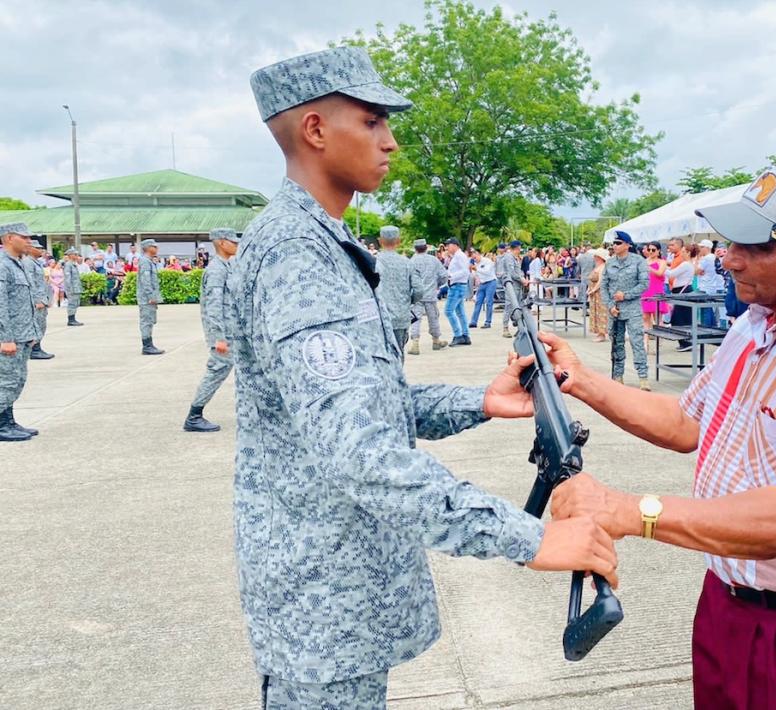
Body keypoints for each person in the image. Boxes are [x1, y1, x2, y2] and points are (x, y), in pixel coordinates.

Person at [232, 46, 617, 707]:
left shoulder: (322, 244)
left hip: (340, 586)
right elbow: (358, 452)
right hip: (321, 601)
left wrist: (479, 402)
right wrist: (530, 536)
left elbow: (365, 403)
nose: (392, 141)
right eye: (374, 121)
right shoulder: (297, 255)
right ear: (316, 131)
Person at [537, 160, 776, 709]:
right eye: (729, 240)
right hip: (728, 605)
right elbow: (687, 422)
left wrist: (631, 510)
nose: (731, 258)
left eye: (758, 245)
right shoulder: (757, 322)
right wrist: (578, 381)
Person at [184, 228, 240, 433]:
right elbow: (213, 306)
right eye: (233, 242)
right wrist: (219, 338)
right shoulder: (217, 269)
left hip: (232, 331)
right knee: (216, 371)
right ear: (222, 243)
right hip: (223, 334)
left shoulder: (228, 266)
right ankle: (194, 415)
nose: (237, 245)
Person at [0, 223, 42, 441]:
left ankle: (8, 422)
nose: (29, 241)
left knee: (16, 381)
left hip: (23, 335)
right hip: (9, 338)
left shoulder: (19, 264)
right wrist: (5, 338)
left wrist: (32, 331)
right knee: (5, 382)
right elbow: (1, 304)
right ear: (8, 238)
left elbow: (24, 301)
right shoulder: (2, 265)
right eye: (24, 237)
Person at [602, 231, 650, 391]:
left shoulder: (638, 261)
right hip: (615, 310)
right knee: (617, 344)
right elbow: (604, 286)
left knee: (637, 342)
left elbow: (644, 284)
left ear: (628, 245)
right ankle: (618, 376)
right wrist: (610, 305)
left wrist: (626, 295)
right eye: (613, 243)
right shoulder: (609, 263)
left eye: (618, 243)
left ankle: (643, 377)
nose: (615, 246)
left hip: (632, 309)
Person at [375, 225, 423, 355]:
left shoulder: (373, 262)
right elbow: (419, 289)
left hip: (379, 317)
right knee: (398, 355)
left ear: (380, 241)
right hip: (401, 317)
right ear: (398, 241)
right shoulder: (407, 263)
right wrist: (409, 301)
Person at [407, 239, 448, 355]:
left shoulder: (411, 261)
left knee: (416, 319)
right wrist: (437, 285)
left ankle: (415, 343)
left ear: (415, 249)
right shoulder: (434, 260)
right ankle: (436, 340)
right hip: (430, 294)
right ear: (426, 248)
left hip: (417, 295)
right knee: (433, 318)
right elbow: (444, 276)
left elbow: (408, 279)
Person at [23, 239, 54, 360]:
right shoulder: (28, 263)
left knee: (41, 325)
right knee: (37, 325)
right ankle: (34, 349)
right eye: (38, 248)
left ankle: (36, 348)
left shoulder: (36, 262)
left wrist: (46, 298)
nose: (41, 250)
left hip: (42, 299)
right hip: (37, 301)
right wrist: (37, 300)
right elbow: (31, 283)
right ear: (30, 249)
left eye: (41, 248)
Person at [665, 238, 696, 350]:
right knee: (682, 317)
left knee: (680, 318)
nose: (681, 253)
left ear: (687, 252)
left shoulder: (686, 264)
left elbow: (672, 274)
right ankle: (685, 342)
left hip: (683, 291)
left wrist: (662, 266)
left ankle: (686, 342)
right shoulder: (688, 264)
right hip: (682, 290)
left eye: (683, 252)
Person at [136, 239, 165, 355]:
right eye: (154, 246)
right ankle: (147, 346)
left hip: (149, 297)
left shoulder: (149, 261)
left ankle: (149, 344)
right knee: (146, 321)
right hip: (146, 298)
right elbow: (146, 281)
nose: (157, 248)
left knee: (150, 321)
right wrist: (150, 296)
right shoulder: (145, 262)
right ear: (148, 248)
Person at [640, 241, 670, 347]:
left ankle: (658, 341)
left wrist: (649, 267)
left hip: (656, 291)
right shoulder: (644, 261)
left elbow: (660, 273)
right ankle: (645, 343)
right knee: (645, 318)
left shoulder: (662, 262)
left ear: (658, 251)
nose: (651, 252)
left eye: (653, 250)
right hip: (645, 291)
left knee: (658, 318)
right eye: (649, 250)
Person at [497, 240, 529, 338]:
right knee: (509, 306)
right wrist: (522, 279)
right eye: (519, 249)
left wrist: (522, 278)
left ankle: (520, 328)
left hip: (518, 285)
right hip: (512, 285)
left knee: (518, 306)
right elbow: (511, 272)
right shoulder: (508, 257)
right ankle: (505, 328)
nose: (520, 251)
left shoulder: (514, 258)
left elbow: (518, 271)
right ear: (516, 248)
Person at [443, 238, 471, 346]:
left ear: (455, 245)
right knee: (460, 312)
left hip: (457, 285)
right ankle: (465, 335)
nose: (447, 248)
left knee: (449, 311)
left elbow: (465, 271)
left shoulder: (460, 256)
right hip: (458, 285)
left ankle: (458, 335)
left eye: (448, 245)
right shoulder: (457, 256)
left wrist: (451, 276)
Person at [468, 246, 496, 329]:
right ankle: (473, 321)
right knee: (478, 302)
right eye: (473, 258)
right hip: (482, 283)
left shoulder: (487, 261)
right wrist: (471, 270)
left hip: (491, 282)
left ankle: (488, 322)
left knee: (489, 302)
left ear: (478, 254)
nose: (475, 259)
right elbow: (474, 275)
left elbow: (487, 272)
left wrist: (476, 269)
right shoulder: (475, 264)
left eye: (475, 257)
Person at [587, 248, 609, 342]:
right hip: (594, 292)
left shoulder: (603, 267)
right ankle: (599, 333)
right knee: (595, 312)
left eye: (596, 256)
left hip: (600, 293)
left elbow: (601, 281)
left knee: (601, 313)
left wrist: (594, 290)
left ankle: (602, 334)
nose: (594, 257)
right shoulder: (597, 266)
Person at [62, 248, 84, 326]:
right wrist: (69, 289)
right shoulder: (68, 265)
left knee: (75, 304)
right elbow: (67, 278)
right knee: (72, 304)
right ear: (70, 255)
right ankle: (71, 320)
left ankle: (73, 318)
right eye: (75, 254)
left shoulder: (73, 264)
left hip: (76, 288)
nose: (77, 256)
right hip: (72, 289)